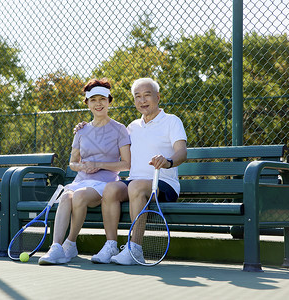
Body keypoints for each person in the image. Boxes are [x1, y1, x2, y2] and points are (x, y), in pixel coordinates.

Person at [85, 78, 188, 265]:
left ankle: (135, 249)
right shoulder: (132, 127)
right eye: (137, 97)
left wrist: (168, 161)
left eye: (147, 95)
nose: (142, 100)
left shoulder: (172, 121)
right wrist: (84, 129)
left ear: (158, 97)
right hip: (135, 183)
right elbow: (108, 144)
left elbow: (181, 151)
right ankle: (111, 245)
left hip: (164, 184)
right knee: (110, 189)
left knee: (136, 187)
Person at [38, 78, 131, 265]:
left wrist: (101, 164)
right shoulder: (81, 130)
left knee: (78, 196)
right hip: (81, 180)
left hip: (105, 184)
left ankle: (70, 243)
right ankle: (56, 247)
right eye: (93, 99)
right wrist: (83, 166)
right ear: (87, 103)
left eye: (102, 99)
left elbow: (126, 164)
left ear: (109, 101)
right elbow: (73, 163)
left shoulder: (120, 129)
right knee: (66, 197)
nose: (98, 104)